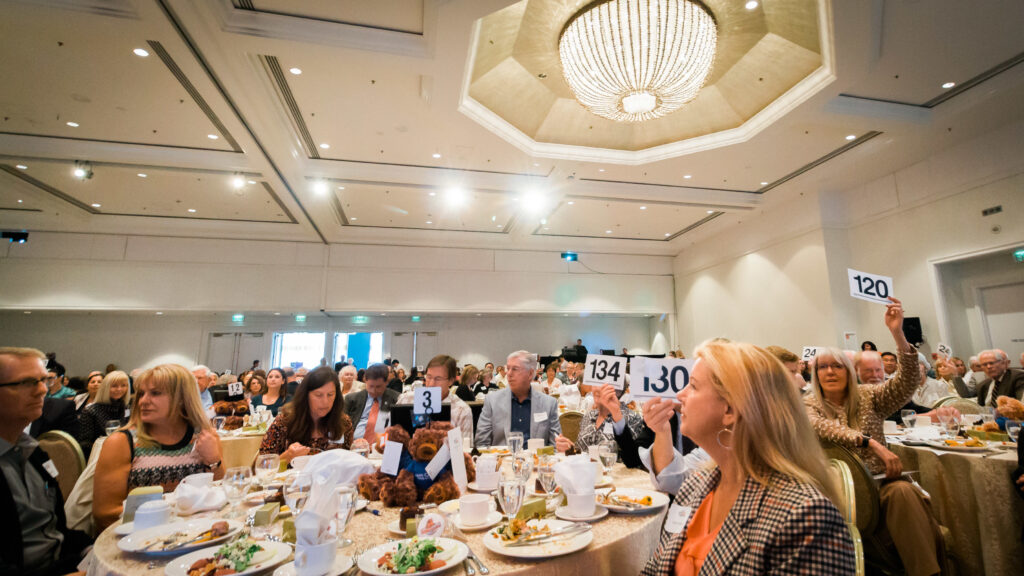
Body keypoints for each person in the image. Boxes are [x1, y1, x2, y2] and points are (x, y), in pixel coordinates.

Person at [641, 340, 854, 575]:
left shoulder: (806, 517)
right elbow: (656, 568)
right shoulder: (696, 485)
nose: (680, 395)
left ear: (730, 410)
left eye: (693, 386)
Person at [804, 297, 945, 576]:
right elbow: (821, 427)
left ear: (850, 371)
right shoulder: (807, 404)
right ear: (815, 374)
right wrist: (870, 443)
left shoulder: (869, 396)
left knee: (903, 490)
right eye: (823, 367)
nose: (830, 371)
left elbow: (905, 383)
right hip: (833, 491)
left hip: (880, 485)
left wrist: (897, 333)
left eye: (837, 366)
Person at [93, 364, 224, 533]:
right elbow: (105, 513)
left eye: (155, 393)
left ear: (182, 398)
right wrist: (175, 515)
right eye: (141, 393)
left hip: (197, 535)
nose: (143, 401)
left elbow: (221, 495)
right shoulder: (122, 443)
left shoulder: (203, 438)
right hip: (139, 540)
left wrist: (213, 459)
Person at [0, 347, 92, 576]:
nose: (42, 390)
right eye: (26, 382)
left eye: (43, 380)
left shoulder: (35, 453)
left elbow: (55, 530)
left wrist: (94, 551)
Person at [258, 366, 353, 464]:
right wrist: (287, 456)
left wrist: (358, 448)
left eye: (330, 394)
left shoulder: (343, 422)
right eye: (318, 395)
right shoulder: (285, 421)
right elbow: (262, 464)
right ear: (306, 395)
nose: (325, 402)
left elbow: (348, 462)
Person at [476, 351, 561, 448]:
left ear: (530, 374)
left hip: (536, 461)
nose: (509, 374)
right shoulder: (492, 401)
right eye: (508, 369)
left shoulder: (549, 404)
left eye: (515, 369)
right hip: (502, 461)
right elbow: (481, 444)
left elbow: (555, 446)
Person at [398, 355, 475, 444]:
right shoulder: (406, 399)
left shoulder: (462, 410)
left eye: (438, 379)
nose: (431, 384)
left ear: (451, 381)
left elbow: (464, 449)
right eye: (429, 377)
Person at [567, 383, 647, 466]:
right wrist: (569, 449)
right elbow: (581, 451)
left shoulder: (631, 417)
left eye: (602, 384)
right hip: (587, 473)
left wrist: (616, 412)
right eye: (594, 383)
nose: (597, 389)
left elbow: (633, 458)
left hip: (616, 476)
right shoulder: (589, 416)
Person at [76, 370, 131, 458]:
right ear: (105, 388)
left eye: (123, 385)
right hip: (99, 456)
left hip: (123, 452)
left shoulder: (126, 408)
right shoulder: (90, 411)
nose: (119, 389)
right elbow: (84, 444)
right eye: (114, 386)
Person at [344, 363, 399, 444]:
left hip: (384, 446)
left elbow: (399, 432)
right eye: (371, 386)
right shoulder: (352, 399)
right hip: (354, 446)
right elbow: (342, 427)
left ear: (387, 382)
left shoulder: (397, 399)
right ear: (365, 380)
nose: (374, 391)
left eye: (378, 387)